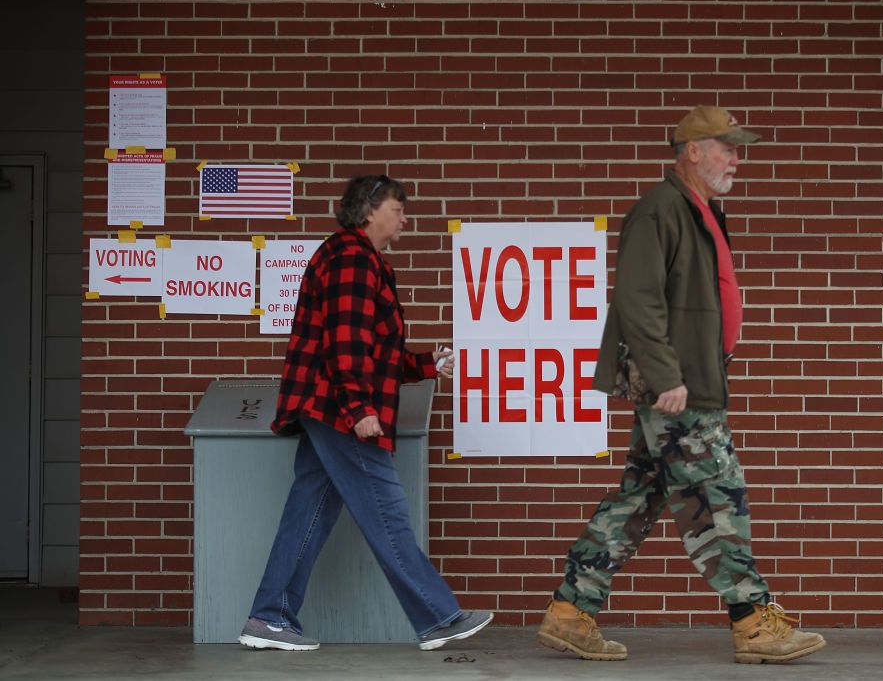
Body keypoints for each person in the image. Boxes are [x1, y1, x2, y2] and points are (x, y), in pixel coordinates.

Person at [536, 106, 826, 664]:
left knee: (640, 497)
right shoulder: (660, 209)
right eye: (727, 147)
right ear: (693, 151)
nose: (737, 159)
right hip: (679, 386)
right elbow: (637, 298)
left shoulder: (700, 211)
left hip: (692, 379)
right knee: (718, 496)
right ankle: (753, 622)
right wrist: (667, 375)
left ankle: (570, 612)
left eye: (739, 148)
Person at [239, 174, 492, 652]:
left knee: (308, 510)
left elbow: (372, 349)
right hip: (340, 410)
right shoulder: (353, 258)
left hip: (325, 405)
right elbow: (345, 344)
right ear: (370, 210)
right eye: (398, 208)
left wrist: (426, 364)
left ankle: (268, 617)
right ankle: (439, 618)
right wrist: (358, 408)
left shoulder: (357, 258)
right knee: (386, 512)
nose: (404, 218)